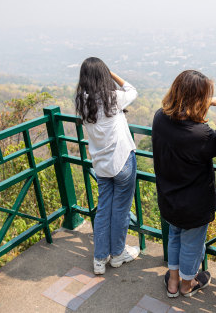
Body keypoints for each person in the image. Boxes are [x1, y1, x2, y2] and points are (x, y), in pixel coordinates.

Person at [152, 70, 216, 298]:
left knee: (174, 235)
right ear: (197, 99)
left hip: (169, 199)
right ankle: (187, 284)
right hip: (193, 205)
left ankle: (173, 283)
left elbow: (181, 115)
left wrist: (203, 102)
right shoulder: (201, 134)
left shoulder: (159, 118)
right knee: (192, 244)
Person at [75, 57, 140, 275]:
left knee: (104, 209)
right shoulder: (112, 98)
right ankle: (118, 255)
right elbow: (132, 90)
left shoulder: (83, 102)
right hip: (122, 161)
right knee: (120, 210)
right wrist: (111, 74)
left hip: (101, 165)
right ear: (103, 76)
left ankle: (100, 259)